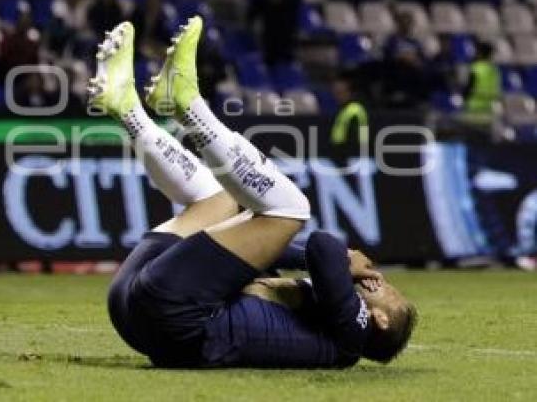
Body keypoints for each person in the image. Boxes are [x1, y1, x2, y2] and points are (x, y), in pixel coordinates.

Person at [89, 18, 416, 368]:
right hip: (140, 316)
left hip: (176, 315)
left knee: (292, 210)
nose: (376, 280)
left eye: (384, 289)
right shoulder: (323, 316)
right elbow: (275, 254)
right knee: (223, 201)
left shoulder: (351, 336)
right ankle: (127, 110)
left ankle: (187, 103)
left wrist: (346, 262)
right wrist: (321, 264)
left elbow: (322, 246)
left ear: (381, 320)